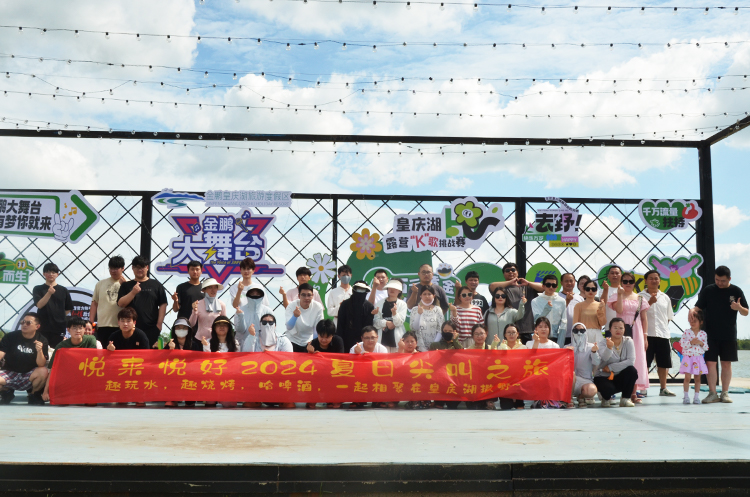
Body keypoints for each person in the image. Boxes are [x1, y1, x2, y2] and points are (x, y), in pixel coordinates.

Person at [692, 266, 748, 404]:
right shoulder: (708, 290)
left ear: (729, 279)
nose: (719, 283)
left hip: (728, 334)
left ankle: (725, 393)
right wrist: (692, 312)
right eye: (717, 280)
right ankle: (712, 393)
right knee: (710, 363)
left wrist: (739, 308)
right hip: (709, 334)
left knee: (726, 363)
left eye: (722, 281)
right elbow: (698, 307)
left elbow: (746, 312)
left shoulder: (736, 291)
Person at [608, 272, 649, 405]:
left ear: (634, 283)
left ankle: (633, 393)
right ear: (621, 282)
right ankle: (619, 391)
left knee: (637, 359)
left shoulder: (640, 298)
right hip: (620, 329)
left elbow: (644, 318)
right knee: (619, 359)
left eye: (630, 281)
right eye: (625, 281)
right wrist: (620, 295)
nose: (628, 284)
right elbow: (619, 310)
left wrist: (645, 336)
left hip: (636, 330)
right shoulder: (616, 296)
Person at [42, 316, 100, 404]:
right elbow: (52, 369)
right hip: (68, 378)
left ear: (84, 329)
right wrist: (46, 391)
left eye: (80, 328)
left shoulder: (91, 340)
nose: (78, 331)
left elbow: (93, 361)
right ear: (68, 330)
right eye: (74, 328)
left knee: (91, 403)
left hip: (86, 377)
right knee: (62, 402)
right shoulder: (61, 346)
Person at [639, 269, 676, 397]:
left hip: (663, 334)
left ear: (660, 281)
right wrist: (649, 302)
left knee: (664, 363)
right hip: (646, 334)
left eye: (656, 278)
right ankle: (643, 388)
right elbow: (637, 315)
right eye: (651, 278)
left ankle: (663, 388)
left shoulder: (665, 297)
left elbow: (668, 317)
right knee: (645, 362)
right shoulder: (640, 296)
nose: (654, 281)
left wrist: (662, 327)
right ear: (645, 280)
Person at [117, 256, 168, 348]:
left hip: (151, 328)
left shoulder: (156, 285)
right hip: (130, 328)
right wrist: (133, 292)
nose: (139, 270)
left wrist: (159, 324)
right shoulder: (126, 285)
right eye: (137, 267)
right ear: (132, 268)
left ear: (147, 267)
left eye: (142, 267)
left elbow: (163, 304)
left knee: (150, 354)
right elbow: (120, 303)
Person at [0, 312, 49, 405]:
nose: (24, 325)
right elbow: (1, 353)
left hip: (29, 375)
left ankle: (34, 395)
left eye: (28, 323)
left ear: (37, 326)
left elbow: (41, 364)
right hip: (10, 373)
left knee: (43, 371)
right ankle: (6, 392)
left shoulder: (42, 340)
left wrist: (39, 351)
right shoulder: (10, 337)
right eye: (22, 322)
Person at [489, 263, 543, 344]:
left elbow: (543, 288)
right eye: (507, 271)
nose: (510, 272)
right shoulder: (502, 290)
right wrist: (510, 282)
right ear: (503, 274)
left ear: (517, 272)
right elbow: (492, 286)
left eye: (513, 270)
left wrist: (528, 283)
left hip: (528, 330)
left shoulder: (527, 287)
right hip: (510, 330)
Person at [594, 318, 638, 408]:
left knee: (632, 371)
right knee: (608, 389)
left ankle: (625, 399)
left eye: (621, 328)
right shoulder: (602, 343)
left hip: (618, 376)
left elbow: (631, 361)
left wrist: (611, 367)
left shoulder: (628, 341)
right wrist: (609, 348)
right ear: (610, 329)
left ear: (624, 329)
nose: (618, 330)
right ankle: (605, 398)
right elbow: (604, 358)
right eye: (615, 328)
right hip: (603, 376)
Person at [199, 316, 241, 408]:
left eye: (225, 325)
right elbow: (205, 361)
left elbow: (237, 361)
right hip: (212, 379)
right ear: (214, 328)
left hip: (228, 379)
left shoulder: (235, 343)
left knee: (229, 405)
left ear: (229, 328)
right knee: (209, 404)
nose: (222, 327)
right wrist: (206, 347)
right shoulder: (208, 342)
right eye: (219, 325)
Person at [32, 262, 73, 348]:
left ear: (57, 274)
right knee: (42, 350)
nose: (51, 274)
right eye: (48, 272)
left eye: (53, 272)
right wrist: (49, 293)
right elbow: (39, 305)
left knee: (57, 351)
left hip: (59, 327)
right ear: (44, 274)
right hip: (43, 326)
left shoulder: (63, 290)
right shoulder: (38, 289)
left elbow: (68, 308)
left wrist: (59, 315)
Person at [306, 319, 344, 409]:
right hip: (318, 374)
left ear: (332, 335)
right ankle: (313, 398)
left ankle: (334, 398)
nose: (323, 340)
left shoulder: (338, 341)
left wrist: (321, 357)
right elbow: (305, 365)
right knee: (311, 405)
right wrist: (310, 354)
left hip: (334, 372)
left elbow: (340, 360)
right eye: (321, 336)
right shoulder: (312, 344)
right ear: (317, 334)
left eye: (327, 337)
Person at [164, 318, 202, 408]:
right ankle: (172, 398)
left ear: (188, 330)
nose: (181, 330)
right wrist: (170, 351)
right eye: (178, 327)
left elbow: (199, 362)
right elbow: (163, 361)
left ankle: (190, 397)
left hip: (190, 375)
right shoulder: (169, 344)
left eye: (184, 327)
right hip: (174, 374)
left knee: (190, 404)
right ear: (174, 330)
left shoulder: (194, 345)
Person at [91, 255, 127, 346]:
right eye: (111, 268)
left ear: (123, 268)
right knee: (102, 350)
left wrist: (125, 286)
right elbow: (94, 303)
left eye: (116, 268)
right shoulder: (100, 284)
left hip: (122, 325)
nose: (113, 271)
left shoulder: (128, 283)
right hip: (103, 325)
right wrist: (91, 322)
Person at [567, 322, 600, 408]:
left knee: (591, 390)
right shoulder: (567, 347)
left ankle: (581, 397)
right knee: (571, 374)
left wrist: (594, 352)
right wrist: (566, 354)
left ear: (585, 332)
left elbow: (596, 363)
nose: (579, 333)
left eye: (582, 331)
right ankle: (569, 399)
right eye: (576, 331)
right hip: (570, 381)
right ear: (572, 332)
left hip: (585, 380)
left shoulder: (591, 347)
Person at [285, 283, 325, 353]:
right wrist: (295, 316)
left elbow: (317, 329)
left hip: (309, 342)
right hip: (292, 340)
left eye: (309, 295)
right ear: (299, 296)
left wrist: (314, 345)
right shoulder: (291, 306)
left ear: (313, 296)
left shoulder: (318, 307)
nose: (306, 298)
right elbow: (289, 327)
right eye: (303, 295)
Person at [680, 309, 709, 405]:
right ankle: (686, 396)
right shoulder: (686, 332)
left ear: (701, 322)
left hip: (698, 358)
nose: (692, 323)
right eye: (690, 320)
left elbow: (706, 347)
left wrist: (701, 343)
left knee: (697, 378)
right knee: (687, 377)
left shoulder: (703, 334)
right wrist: (691, 343)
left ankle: (696, 397)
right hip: (688, 358)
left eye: (695, 321)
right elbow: (682, 344)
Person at [337, 281, 375, 353]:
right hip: (346, 339)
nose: (360, 292)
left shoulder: (369, 306)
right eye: (358, 289)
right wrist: (340, 342)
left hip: (363, 341)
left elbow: (369, 326)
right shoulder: (345, 304)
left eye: (363, 290)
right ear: (354, 290)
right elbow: (340, 325)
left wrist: (366, 340)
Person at [234, 283, 273, 351]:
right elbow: (240, 330)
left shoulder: (268, 311)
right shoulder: (240, 310)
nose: (255, 295)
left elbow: (271, 330)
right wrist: (240, 316)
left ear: (262, 294)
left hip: (263, 348)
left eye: (258, 293)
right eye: (252, 293)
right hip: (244, 347)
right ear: (248, 294)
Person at [531, 275, 568, 345]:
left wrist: (560, 342)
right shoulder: (535, 301)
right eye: (548, 285)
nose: (551, 287)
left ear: (557, 287)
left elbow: (564, 322)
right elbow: (536, 320)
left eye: (553, 285)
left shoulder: (562, 301)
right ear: (543, 286)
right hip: (540, 337)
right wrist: (546, 309)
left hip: (556, 337)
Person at [373, 279, 408, 352]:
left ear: (399, 291)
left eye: (395, 288)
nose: (392, 290)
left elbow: (399, 322)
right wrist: (386, 323)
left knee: (397, 358)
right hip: (382, 340)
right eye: (390, 288)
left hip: (397, 340)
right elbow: (375, 322)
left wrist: (394, 313)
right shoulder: (380, 303)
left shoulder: (402, 304)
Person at [189, 278, 228, 343]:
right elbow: (191, 324)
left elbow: (225, 324)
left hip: (216, 340)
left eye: (215, 287)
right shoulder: (198, 304)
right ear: (204, 290)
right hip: (200, 340)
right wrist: (194, 311)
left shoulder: (222, 304)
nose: (213, 290)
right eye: (210, 287)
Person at [497, 323, 524, 410]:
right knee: (505, 407)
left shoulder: (524, 348)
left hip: (519, 382)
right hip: (504, 382)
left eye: (513, 332)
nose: (511, 334)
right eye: (508, 332)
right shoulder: (500, 348)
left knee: (520, 408)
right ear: (505, 335)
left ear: (517, 334)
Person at [409, 286, 445, 352]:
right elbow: (414, 328)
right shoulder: (415, 310)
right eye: (424, 294)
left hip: (434, 348)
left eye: (429, 294)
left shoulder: (438, 310)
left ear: (433, 296)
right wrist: (419, 314)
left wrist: (433, 345)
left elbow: (440, 330)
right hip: (419, 348)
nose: (427, 296)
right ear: (420, 296)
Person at [573, 279, 607, 344]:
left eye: (593, 289)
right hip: (582, 334)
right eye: (588, 289)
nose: (590, 291)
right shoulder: (578, 305)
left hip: (597, 334)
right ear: (584, 290)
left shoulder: (600, 305)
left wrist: (600, 311)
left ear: (596, 291)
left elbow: (603, 323)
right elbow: (575, 324)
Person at [559, 272, 584, 344]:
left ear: (575, 282)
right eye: (566, 281)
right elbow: (557, 313)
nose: (569, 283)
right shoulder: (557, 297)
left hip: (577, 333)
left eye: (571, 281)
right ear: (561, 283)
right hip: (561, 334)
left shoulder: (580, 298)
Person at [599, 264, 622, 334]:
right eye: (612, 273)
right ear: (608, 276)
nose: (614, 275)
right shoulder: (602, 291)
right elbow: (603, 304)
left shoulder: (625, 290)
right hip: (608, 327)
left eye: (617, 273)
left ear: (621, 275)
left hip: (623, 327)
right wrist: (606, 290)